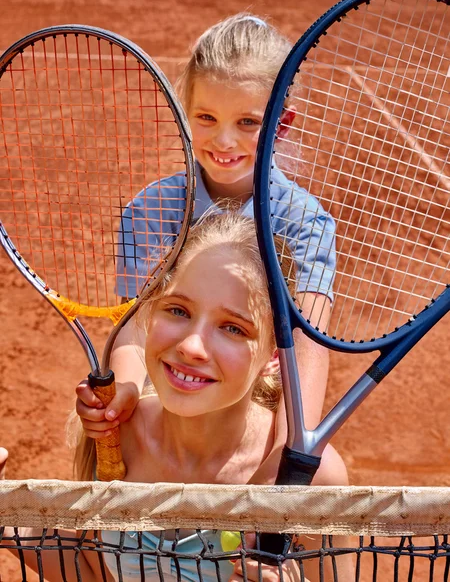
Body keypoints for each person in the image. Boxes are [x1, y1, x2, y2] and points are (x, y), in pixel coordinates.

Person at [0, 214, 352, 581]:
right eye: (178, 310)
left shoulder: (311, 477)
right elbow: (93, 569)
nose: (192, 346)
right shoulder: (115, 435)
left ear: (274, 356)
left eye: (233, 328)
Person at [77, 13, 345, 488]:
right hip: (171, 393)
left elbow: (304, 358)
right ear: (186, 114)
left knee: (326, 476)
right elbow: (134, 330)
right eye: (206, 117)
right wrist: (129, 395)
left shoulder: (307, 226)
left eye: (247, 122)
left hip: (249, 406)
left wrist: (281, 472)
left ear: (282, 124)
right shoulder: (150, 211)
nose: (224, 141)